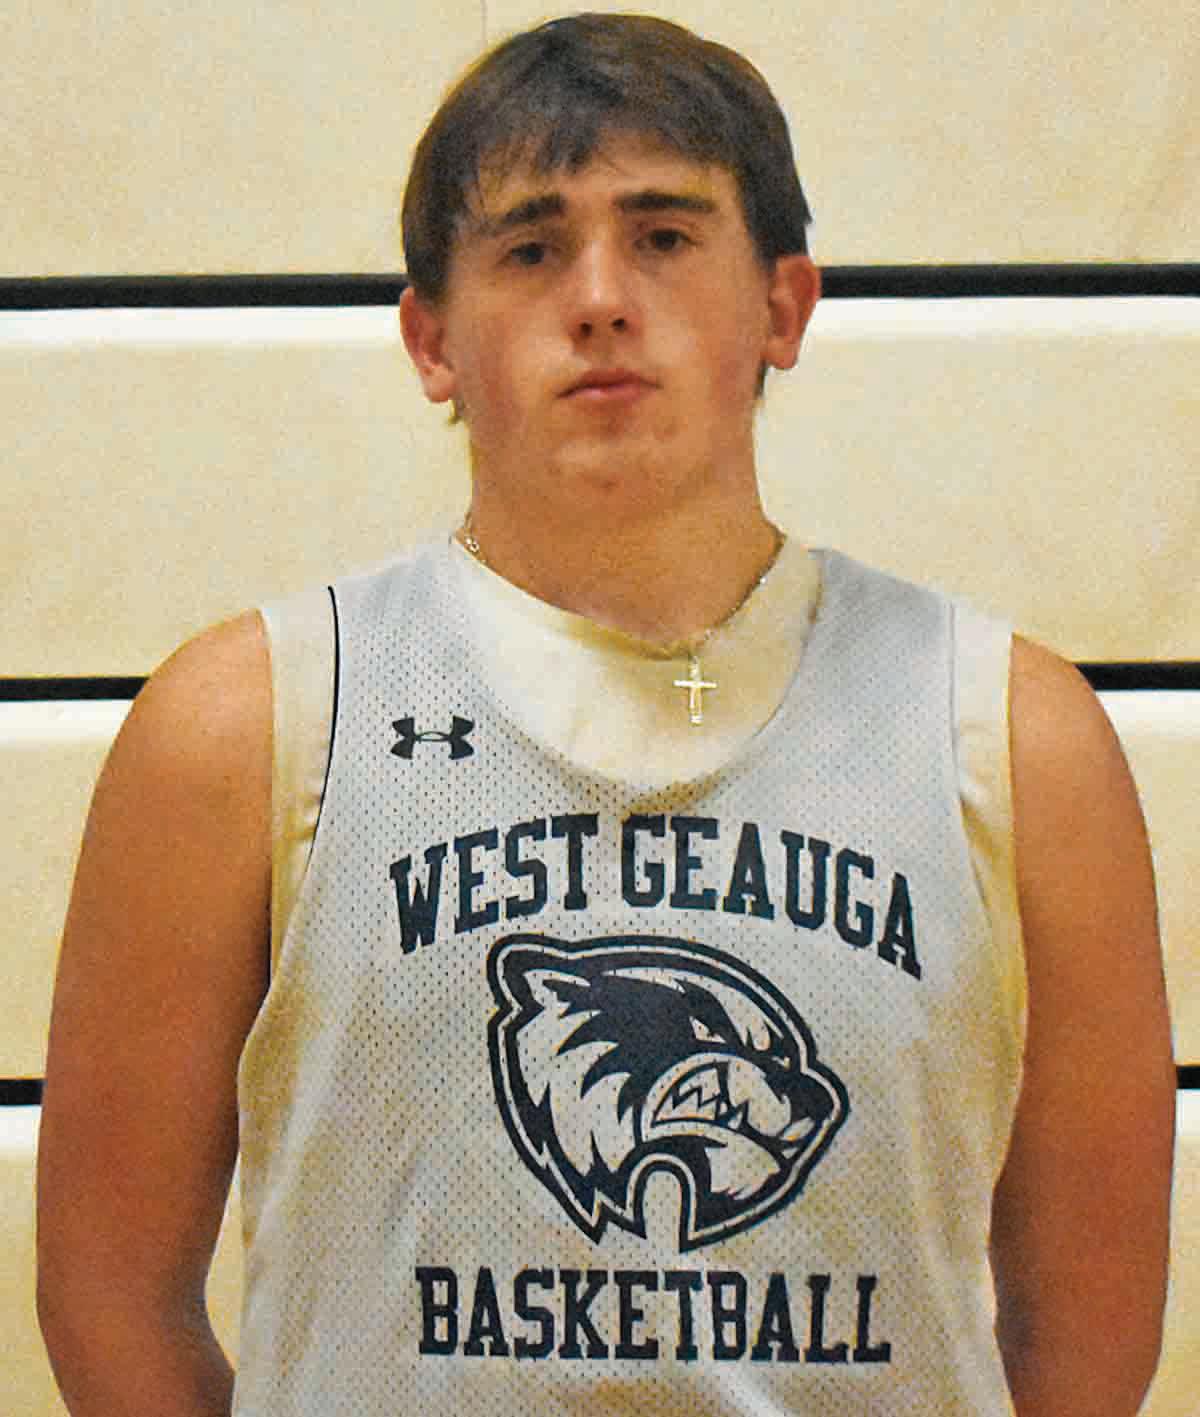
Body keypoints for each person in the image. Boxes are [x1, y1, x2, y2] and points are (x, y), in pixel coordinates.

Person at [37, 13, 1174, 1416]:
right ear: (431, 338)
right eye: (530, 248)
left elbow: (1089, 1325)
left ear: (785, 306)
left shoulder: (1013, 736)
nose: (599, 298)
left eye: (664, 235)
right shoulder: (243, 725)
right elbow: (109, 1290)